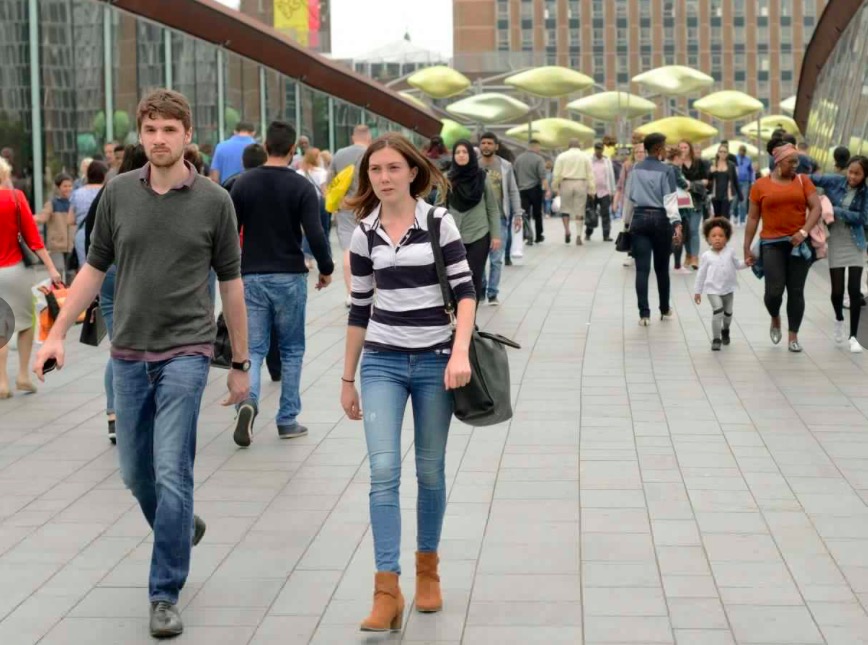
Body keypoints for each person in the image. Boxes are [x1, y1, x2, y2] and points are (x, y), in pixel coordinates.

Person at [34, 89, 250, 639]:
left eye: (169, 130)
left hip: (187, 350)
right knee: (135, 473)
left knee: (172, 470)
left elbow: (232, 285)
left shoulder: (215, 201)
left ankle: (164, 593)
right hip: (128, 352)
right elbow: (92, 271)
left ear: (187, 135)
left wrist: (240, 362)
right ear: (140, 134)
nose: (158, 139)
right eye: (150, 130)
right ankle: (181, 527)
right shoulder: (117, 194)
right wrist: (55, 334)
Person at [340, 133, 476, 633]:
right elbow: (359, 308)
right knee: (383, 471)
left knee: (431, 471)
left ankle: (428, 571)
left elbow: (466, 292)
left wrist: (459, 352)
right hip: (382, 362)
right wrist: (347, 378)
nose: (384, 177)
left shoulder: (438, 222)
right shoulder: (364, 233)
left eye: (393, 168)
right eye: (375, 170)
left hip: (437, 361)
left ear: (413, 172)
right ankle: (386, 589)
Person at [230, 121, 334, 446]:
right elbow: (315, 232)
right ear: (292, 150)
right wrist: (326, 268)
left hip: (251, 275)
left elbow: (230, 231)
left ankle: (248, 402)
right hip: (290, 274)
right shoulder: (301, 186)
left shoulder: (244, 183)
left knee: (255, 348)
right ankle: (287, 419)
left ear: (265, 147)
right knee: (291, 349)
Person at [82, 144, 150, 444]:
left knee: (118, 345)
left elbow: (90, 235)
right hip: (132, 272)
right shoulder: (143, 192)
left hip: (106, 275)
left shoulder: (109, 191)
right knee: (141, 344)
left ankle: (114, 414)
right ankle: (137, 412)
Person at [744, 141, 822, 353]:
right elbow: (753, 218)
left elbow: (816, 208)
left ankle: (793, 336)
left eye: (797, 161)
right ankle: (775, 317)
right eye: (791, 162)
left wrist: (803, 232)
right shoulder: (760, 185)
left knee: (796, 291)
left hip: (798, 244)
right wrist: (746, 246)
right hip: (771, 244)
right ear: (778, 162)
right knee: (774, 292)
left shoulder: (803, 181)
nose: (795, 165)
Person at [0, 158, 63, 399]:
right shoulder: (16, 198)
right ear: (5, 174)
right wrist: (52, 268)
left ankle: (2, 382)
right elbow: (33, 238)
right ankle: (23, 376)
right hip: (17, 271)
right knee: (25, 323)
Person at [622, 133, 683, 325]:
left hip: (639, 218)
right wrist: (677, 223)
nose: (666, 149)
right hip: (661, 219)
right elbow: (670, 200)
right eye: (664, 146)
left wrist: (626, 223)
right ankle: (664, 309)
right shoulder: (667, 170)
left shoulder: (636, 169)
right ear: (658, 149)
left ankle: (644, 314)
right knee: (662, 268)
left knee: (642, 269)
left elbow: (629, 197)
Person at [811, 156, 868, 352]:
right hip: (835, 240)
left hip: (855, 243)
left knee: (854, 291)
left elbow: (863, 218)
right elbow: (812, 179)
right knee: (837, 292)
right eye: (850, 172)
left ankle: (853, 337)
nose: (852, 176)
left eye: (857, 174)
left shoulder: (865, 193)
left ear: (865, 175)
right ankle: (838, 319)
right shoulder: (835, 181)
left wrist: (834, 210)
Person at [446, 140, 501, 303]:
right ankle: (457, 313)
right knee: (454, 276)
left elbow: (492, 208)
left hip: (479, 234)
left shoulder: (482, 177)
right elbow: (438, 207)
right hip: (453, 236)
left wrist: (496, 235)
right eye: (458, 152)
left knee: (474, 276)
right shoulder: (447, 179)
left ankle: (470, 316)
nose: (461, 155)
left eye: (465, 152)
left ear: (471, 155)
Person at [329, 124, 372, 306]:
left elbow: (330, 181)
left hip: (345, 206)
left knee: (348, 248)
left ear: (353, 137)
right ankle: (370, 289)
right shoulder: (371, 153)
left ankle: (351, 293)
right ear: (368, 137)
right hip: (368, 205)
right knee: (371, 247)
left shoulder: (339, 154)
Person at [477, 132, 522, 304]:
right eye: (483, 143)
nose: (486, 146)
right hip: (478, 218)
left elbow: (513, 191)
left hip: (500, 218)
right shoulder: (474, 165)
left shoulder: (505, 166)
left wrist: (518, 214)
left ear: (496, 146)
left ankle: (493, 292)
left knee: (496, 258)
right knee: (479, 258)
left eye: (490, 143)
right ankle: (481, 288)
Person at [693, 218, 748, 350]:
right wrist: (697, 291)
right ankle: (716, 339)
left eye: (721, 235)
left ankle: (725, 329)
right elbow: (701, 274)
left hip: (728, 289)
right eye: (713, 236)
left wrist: (747, 263)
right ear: (708, 239)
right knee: (718, 311)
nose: (717, 238)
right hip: (712, 290)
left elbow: (737, 264)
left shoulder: (730, 252)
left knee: (728, 314)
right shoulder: (706, 256)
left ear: (726, 238)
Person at [552, 138, 595, 245]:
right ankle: (579, 235)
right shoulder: (585, 156)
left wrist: (555, 186)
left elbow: (556, 174)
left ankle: (567, 230)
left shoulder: (561, 156)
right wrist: (592, 189)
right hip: (581, 183)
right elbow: (590, 174)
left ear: (569, 146)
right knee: (580, 210)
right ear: (579, 146)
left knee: (565, 209)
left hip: (566, 183)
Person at [676, 139, 708, 269]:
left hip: (696, 200)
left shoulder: (699, 162)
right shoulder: (676, 165)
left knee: (694, 229)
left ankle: (695, 257)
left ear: (690, 149)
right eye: (681, 147)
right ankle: (688, 255)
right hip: (682, 202)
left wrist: (691, 185)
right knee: (685, 230)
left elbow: (706, 181)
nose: (683, 150)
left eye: (685, 147)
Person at [70, 160, 107, 268]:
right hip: (105, 233)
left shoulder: (77, 193)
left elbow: (70, 220)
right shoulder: (108, 190)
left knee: (85, 267)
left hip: (83, 233)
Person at [614, 142, 646, 268]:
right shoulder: (628, 166)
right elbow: (620, 185)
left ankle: (642, 253)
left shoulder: (650, 166)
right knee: (629, 227)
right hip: (630, 201)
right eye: (637, 152)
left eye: (642, 152)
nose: (639, 154)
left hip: (645, 201)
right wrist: (615, 202)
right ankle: (630, 254)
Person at [513, 139, 550, 244]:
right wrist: (547, 190)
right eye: (539, 147)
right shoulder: (539, 159)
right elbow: (543, 176)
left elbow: (514, 174)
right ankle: (538, 236)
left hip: (521, 190)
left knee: (525, 214)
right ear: (536, 147)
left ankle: (527, 235)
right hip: (535, 189)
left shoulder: (518, 159)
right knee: (537, 214)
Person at [209, 121, 256, 186]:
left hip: (226, 189)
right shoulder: (259, 148)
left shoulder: (221, 147)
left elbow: (214, 178)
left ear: (235, 132)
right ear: (253, 133)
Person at [587, 141, 617, 242]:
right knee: (591, 213)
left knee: (606, 214)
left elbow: (611, 176)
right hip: (592, 192)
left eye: (600, 149)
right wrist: (588, 190)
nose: (598, 151)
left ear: (603, 149)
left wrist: (612, 191)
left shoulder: (607, 160)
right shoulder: (589, 160)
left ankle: (606, 235)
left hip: (605, 192)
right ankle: (588, 232)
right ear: (594, 149)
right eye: (597, 149)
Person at [708, 143, 741, 221]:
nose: (722, 153)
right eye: (721, 151)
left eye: (725, 152)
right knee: (717, 217)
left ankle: (725, 228)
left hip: (727, 195)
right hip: (715, 195)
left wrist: (740, 195)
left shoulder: (731, 165)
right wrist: (711, 172)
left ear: (727, 153)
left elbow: (735, 180)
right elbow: (708, 179)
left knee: (725, 217)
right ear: (718, 153)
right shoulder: (713, 164)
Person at [734, 145, 754, 225]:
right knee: (735, 201)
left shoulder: (748, 159)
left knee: (743, 201)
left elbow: (751, 171)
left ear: (745, 152)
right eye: (740, 150)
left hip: (745, 182)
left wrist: (752, 181)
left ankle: (742, 220)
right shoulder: (735, 158)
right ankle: (735, 215)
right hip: (736, 182)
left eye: (743, 151)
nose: (742, 152)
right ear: (738, 151)